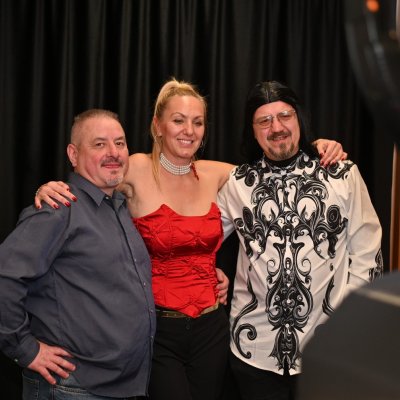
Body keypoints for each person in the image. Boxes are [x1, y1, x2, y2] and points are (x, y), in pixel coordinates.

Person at [34, 78, 347, 400]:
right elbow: (94, 176)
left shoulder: (219, 173)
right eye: (178, 120)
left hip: (211, 329)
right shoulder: (136, 168)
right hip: (157, 329)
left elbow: (277, 165)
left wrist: (316, 146)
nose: (189, 130)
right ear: (158, 126)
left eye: (197, 122)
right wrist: (52, 186)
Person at [217, 80, 384, 400]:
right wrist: (207, 270)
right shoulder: (237, 184)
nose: (276, 127)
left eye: (285, 116)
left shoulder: (341, 173)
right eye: (264, 121)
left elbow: (368, 251)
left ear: (299, 119)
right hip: (254, 348)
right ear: (252, 130)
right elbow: (201, 236)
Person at [0, 109, 156, 399]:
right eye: (99, 144)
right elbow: (5, 276)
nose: (113, 153)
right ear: (73, 154)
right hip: (73, 386)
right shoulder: (58, 209)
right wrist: (24, 349)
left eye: (119, 143)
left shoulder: (119, 207)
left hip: (119, 384)